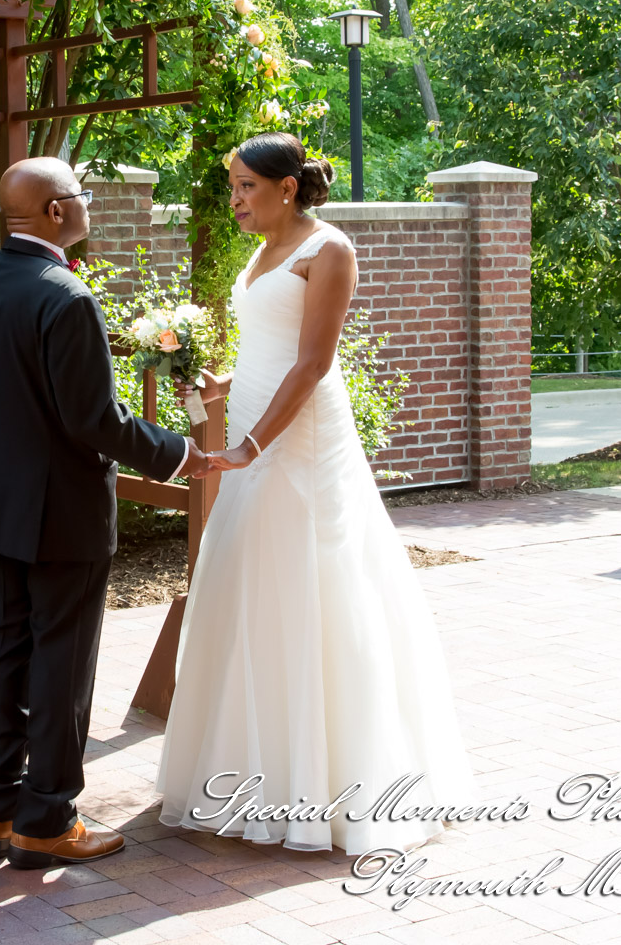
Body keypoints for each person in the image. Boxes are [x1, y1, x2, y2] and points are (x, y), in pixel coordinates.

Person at [155, 132, 477, 854]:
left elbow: (313, 363)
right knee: (249, 583)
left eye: (245, 187)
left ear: (287, 187)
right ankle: (247, 774)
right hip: (255, 423)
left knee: (315, 585)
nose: (235, 199)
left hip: (300, 441)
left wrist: (249, 446)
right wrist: (220, 386)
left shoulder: (328, 250)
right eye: (232, 186)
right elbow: (265, 351)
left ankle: (336, 787)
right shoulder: (260, 249)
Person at [0, 157, 208, 870]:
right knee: (63, 664)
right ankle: (48, 819)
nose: (89, 206)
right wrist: (181, 454)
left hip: (0, 505)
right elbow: (95, 419)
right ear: (57, 212)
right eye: (82, 195)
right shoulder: (65, 296)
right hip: (63, 511)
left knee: (7, 654)